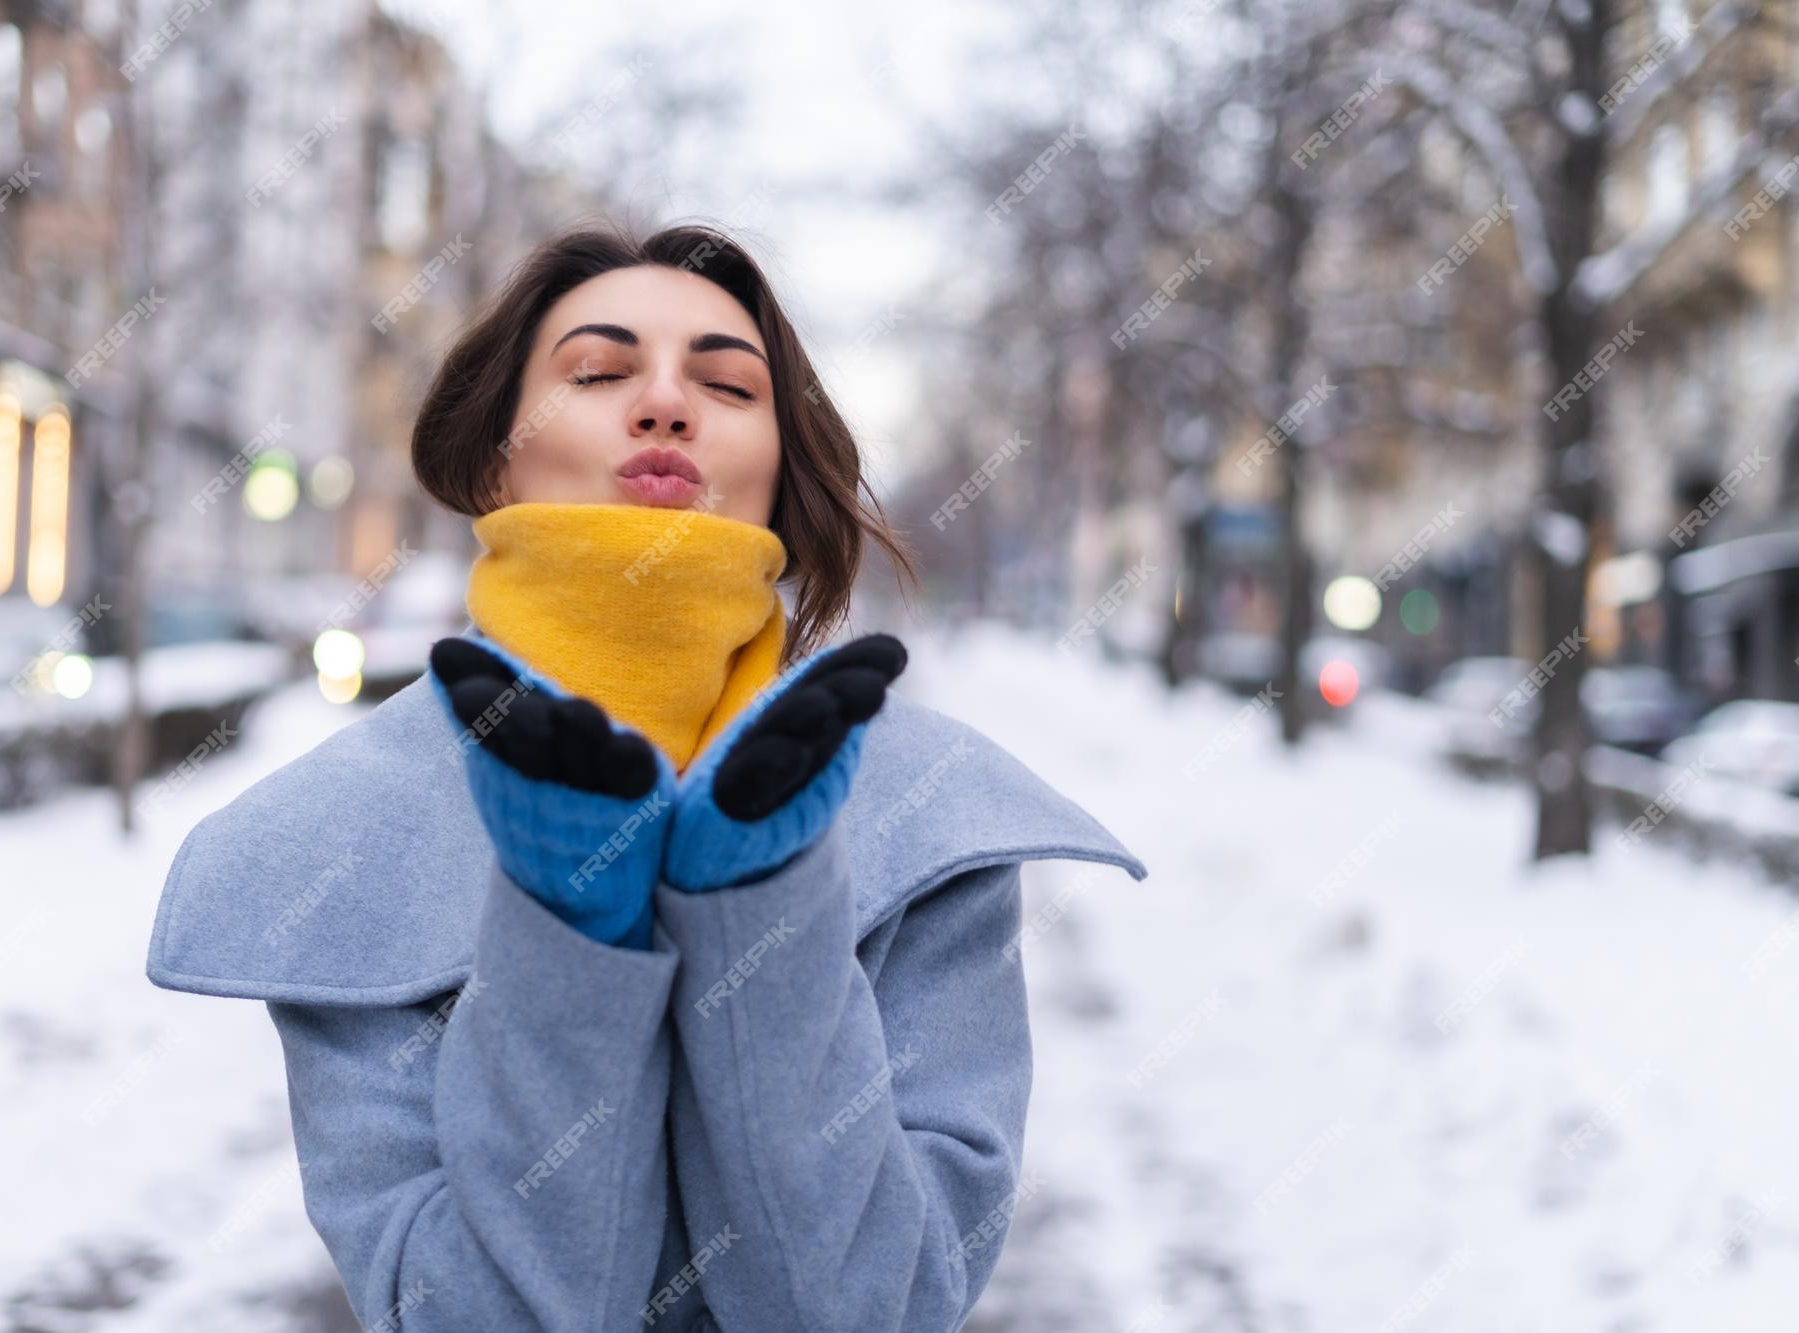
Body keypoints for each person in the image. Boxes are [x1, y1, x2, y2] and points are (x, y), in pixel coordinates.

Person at [145, 221, 1148, 1332]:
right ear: (494, 454)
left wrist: (763, 907)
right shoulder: (338, 844)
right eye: (596, 370)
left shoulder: (928, 822)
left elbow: (872, 1308)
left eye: (726, 384)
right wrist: (566, 930)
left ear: (779, 468)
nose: (665, 403)